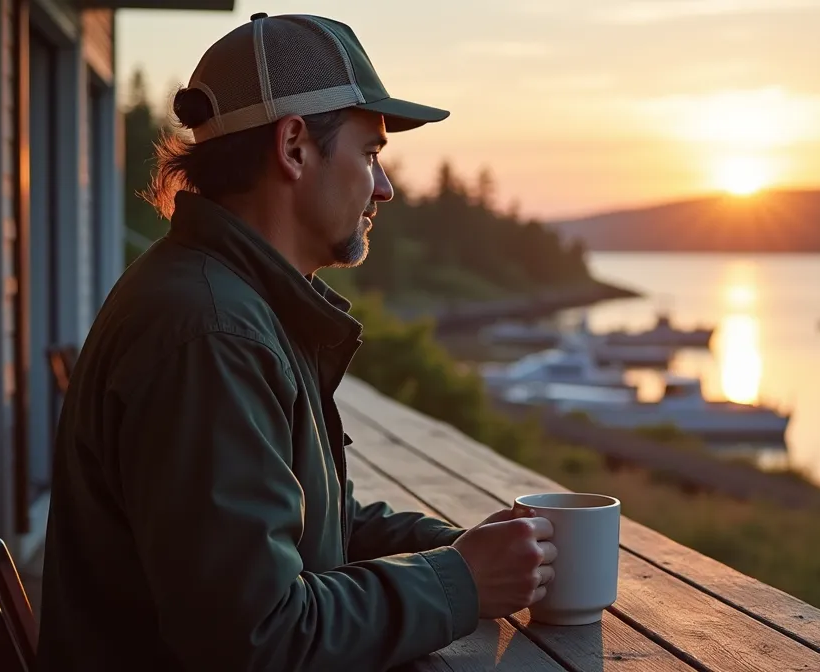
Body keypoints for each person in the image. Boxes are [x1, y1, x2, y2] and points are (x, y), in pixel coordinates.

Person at [37, 12, 556, 671]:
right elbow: (254, 638)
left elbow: (305, 524)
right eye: (370, 155)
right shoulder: (212, 334)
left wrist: (462, 552)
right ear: (293, 146)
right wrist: (459, 582)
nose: (386, 187)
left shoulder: (229, 302)